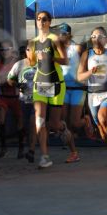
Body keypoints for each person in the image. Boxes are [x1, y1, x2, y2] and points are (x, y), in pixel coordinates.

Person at [32, 11, 79, 169]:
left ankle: (72, 148)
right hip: (40, 82)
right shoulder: (33, 41)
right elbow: (32, 62)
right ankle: (45, 157)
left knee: (54, 124)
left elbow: (65, 60)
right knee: (39, 119)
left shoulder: (55, 39)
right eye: (38, 19)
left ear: (49, 22)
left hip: (55, 82)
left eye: (44, 19)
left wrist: (50, 58)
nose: (41, 22)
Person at [77, 27, 107, 166]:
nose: (96, 39)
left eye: (99, 36)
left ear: (106, 39)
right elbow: (79, 77)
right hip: (92, 94)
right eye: (93, 36)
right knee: (101, 126)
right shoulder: (87, 54)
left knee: (103, 118)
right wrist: (90, 72)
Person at [59, 24, 92, 140]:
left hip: (78, 87)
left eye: (64, 34)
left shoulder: (77, 47)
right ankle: (70, 137)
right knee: (64, 117)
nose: (61, 36)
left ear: (69, 35)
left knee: (75, 122)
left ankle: (87, 120)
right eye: (60, 34)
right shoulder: (57, 49)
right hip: (63, 86)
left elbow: (87, 62)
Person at [7, 40, 38, 163]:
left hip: (38, 100)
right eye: (29, 50)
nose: (32, 52)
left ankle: (31, 151)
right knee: (23, 126)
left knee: (33, 123)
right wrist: (18, 85)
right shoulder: (19, 65)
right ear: (26, 51)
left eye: (35, 50)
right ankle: (22, 146)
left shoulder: (42, 64)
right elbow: (9, 79)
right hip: (23, 100)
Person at [0, 39, 24, 159]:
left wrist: (11, 82)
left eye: (6, 49)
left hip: (16, 97)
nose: (4, 52)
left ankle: (21, 148)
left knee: (20, 122)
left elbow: (20, 79)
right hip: (2, 97)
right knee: (0, 120)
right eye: (1, 50)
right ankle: (4, 147)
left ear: (12, 50)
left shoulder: (17, 62)